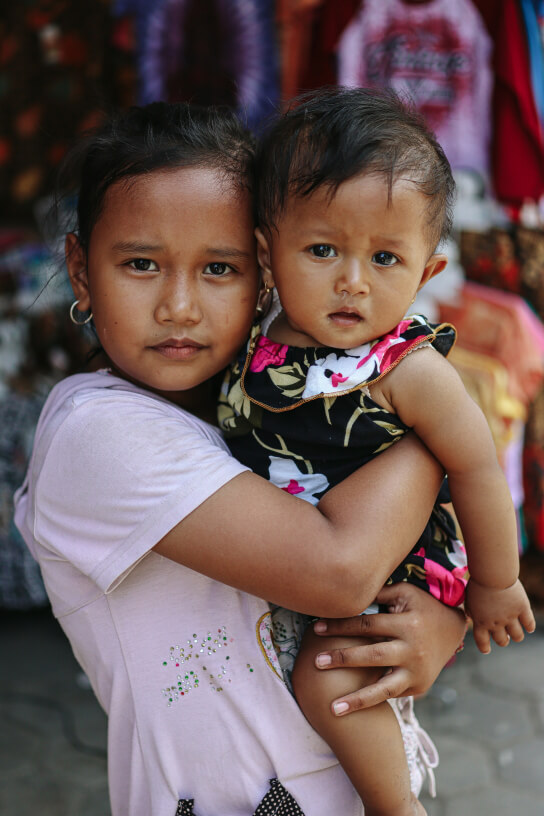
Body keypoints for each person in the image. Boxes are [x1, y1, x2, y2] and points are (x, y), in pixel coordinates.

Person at [13, 102, 467, 816]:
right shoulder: (95, 432)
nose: (181, 307)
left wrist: (440, 627)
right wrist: (441, 429)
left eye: (219, 268)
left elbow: (390, 562)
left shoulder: (261, 408)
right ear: (79, 268)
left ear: (265, 269)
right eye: (140, 264)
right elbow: (342, 570)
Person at [220, 88, 536, 816]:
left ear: (426, 274)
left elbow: (478, 466)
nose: (352, 281)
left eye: (385, 257)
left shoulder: (408, 369)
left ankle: (397, 808)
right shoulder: (252, 338)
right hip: (296, 554)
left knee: (332, 677)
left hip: (400, 569)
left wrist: (494, 582)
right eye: (323, 248)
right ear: (268, 251)